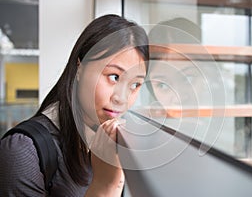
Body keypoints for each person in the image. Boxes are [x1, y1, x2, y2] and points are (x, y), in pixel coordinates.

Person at [0, 14, 149, 196]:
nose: (122, 98)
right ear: (80, 67)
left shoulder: (112, 141)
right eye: (114, 77)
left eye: (135, 84)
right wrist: (105, 186)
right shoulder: (23, 150)